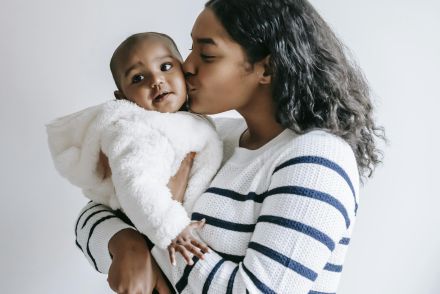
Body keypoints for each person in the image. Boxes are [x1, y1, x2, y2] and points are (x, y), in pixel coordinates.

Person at [74, 0, 385, 293]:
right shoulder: (211, 136)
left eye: (206, 55)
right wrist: (125, 243)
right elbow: (99, 206)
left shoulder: (317, 160)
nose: (187, 66)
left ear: (267, 68)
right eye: (190, 48)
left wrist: (165, 231)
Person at [48, 32, 222, 269]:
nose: (156, 81)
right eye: (138, 78)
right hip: (160, 236)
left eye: (166, 66)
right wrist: (171, 229)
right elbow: (135, 183)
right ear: (123, 97)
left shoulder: (197, 124)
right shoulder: (136, 131)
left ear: (183, 70)